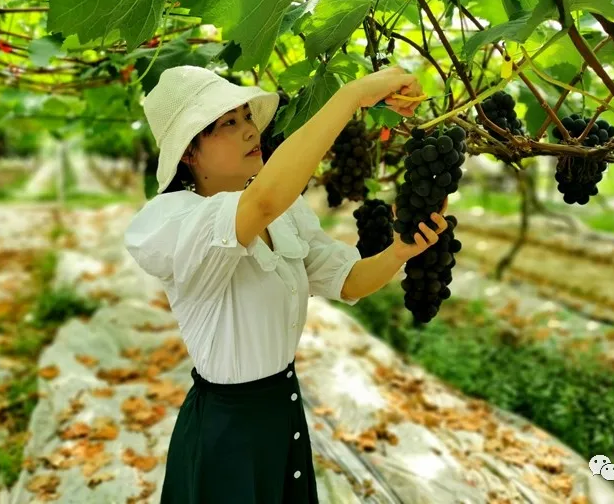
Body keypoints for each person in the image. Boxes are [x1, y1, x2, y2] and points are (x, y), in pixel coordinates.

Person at [123, 65, 449, 503]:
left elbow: (348, 280)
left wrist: (398, 252)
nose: (247, 131)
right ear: (189, 155)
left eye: (246, 117)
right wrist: (350, 96)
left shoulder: (285, 214)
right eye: (227, 124)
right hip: (228, 433)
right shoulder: (172, 221)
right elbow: (263, 201)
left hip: (284, 412)